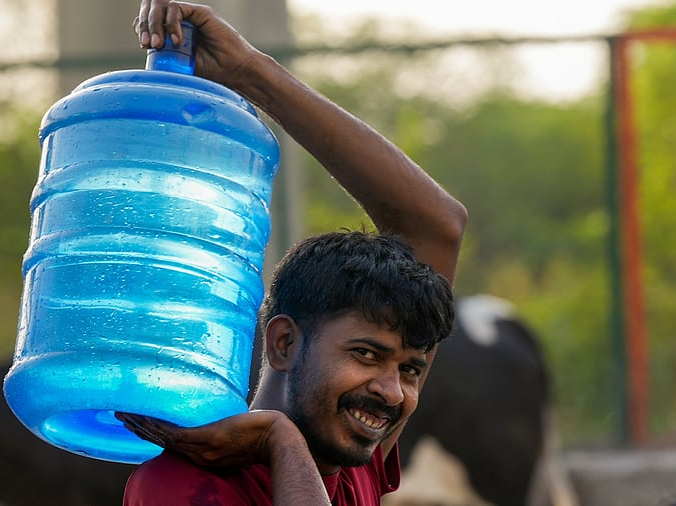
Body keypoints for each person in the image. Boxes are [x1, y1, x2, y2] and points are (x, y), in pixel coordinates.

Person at [117, 1, 469, 504]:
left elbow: (436, 227)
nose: (393, 392)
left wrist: (250, 72)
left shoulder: (350, 452)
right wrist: (279, 439)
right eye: (365, 354)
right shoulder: (183, 485)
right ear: (282, 343)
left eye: (410, 369)